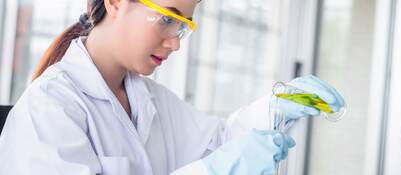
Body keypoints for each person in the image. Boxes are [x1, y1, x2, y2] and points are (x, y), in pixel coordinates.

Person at [0, 0, 345, 174]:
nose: (176, 43)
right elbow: (217, 163)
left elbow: (219, 144)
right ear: (116, 2)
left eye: (183, 27)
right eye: (167, 18)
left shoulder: (151, 99)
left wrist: (275, 107)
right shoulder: (50, 107)